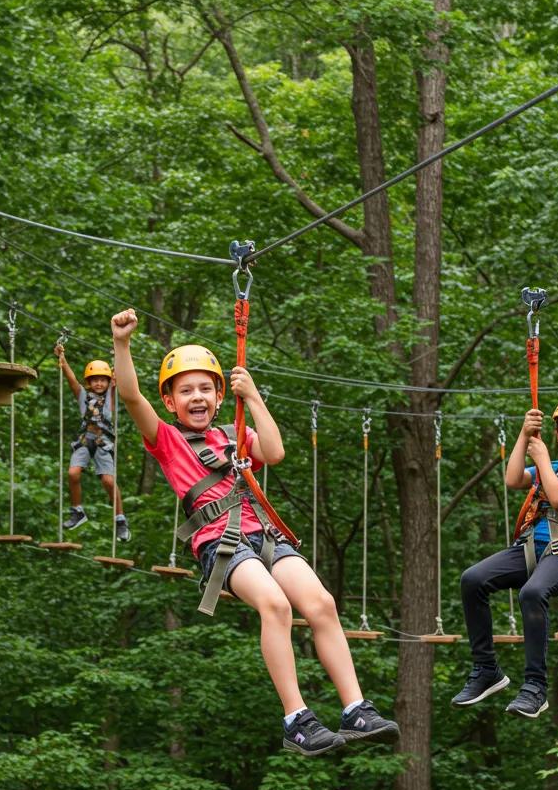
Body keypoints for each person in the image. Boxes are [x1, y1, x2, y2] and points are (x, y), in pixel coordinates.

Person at [110, 307, 399, 757]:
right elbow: (130, 397)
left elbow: (276, 452)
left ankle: (356, 709)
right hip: (220, 545)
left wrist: (256, 398)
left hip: (265, 535)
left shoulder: (234, 434)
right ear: (170, 402)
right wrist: (122, 344)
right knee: (275, 605)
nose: (197, 397)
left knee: (321, 603)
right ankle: (296, 719)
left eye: (206, 388)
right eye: (186, 391)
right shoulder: (166, 440)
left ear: (221, 395)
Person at [453, 391, 558, 719]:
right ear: (557, 437)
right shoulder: (553, 465)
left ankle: (535, 687)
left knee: (533, 592)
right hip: (532, 548)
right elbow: (513, 479)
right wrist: (524, 435)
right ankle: (487, 670)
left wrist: (541, 459)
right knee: (472, 580)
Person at [53, 343, 130, 542]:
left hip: (103, 442)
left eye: (102, 380)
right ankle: (77, 511)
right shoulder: (83, 396)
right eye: (94, 380)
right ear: (89, 382)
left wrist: (120, 351)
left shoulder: (112, 397)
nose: (98, 383)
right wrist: (62, 360)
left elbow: (118, 376)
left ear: (108, 381)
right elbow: (70, 380)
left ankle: (120, 519)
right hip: (84, 440)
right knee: (73, 473)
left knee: (108, 481)